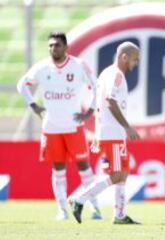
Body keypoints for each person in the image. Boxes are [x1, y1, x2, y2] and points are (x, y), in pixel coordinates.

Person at [17, 32, 101, 220]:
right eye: (50, 45)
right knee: (58, 168)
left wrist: (90, 111)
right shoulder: (42, 68)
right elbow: (21, 85)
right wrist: (34, 105)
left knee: (84, 167)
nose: (53, 48)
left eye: (57, 45)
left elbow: (97, 86)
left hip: (73, 126)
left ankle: (95, 208)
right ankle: (62, 210)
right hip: (51, 127)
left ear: (66, 47)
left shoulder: (79, 66)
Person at [69, 42, 141, 225]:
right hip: (113, 134)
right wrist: (127, 127)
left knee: (123, 173)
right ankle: (79, 199)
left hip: (109, 133)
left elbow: (101, 104)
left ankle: (120, 215)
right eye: (135, 59)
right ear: (124, 56)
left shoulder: (107, 73)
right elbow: (110, 101)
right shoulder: (116, 75)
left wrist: (98, 132)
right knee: (117, 174)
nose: (136, 63)